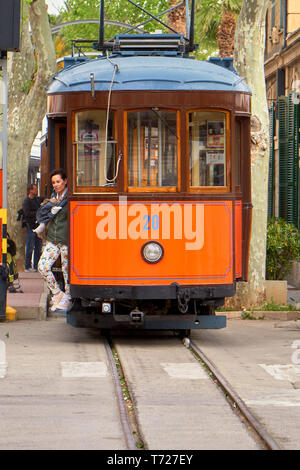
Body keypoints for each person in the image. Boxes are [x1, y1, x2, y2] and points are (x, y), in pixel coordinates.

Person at [38, 169, 71, 312]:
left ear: (65, 181)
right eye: (53, 182)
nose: (56, 184)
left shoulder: (70, 198)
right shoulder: (53, 197)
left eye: (58, 181)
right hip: (53, 238)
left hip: (66, 239)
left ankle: (67, 298)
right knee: (42, 266)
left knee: (66, 270)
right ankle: (58, 293)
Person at [22, 183, 43, 272]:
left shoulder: (37, 200)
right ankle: (27, 266)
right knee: (30, 246)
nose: (36, 190)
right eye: (34, 189)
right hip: (31, 226)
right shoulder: (26, 201)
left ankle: (36, 265)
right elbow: (27, 213)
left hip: (38, 226)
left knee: (38, 246)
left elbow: (44, 199)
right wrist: (37, 213)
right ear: (30, 190)